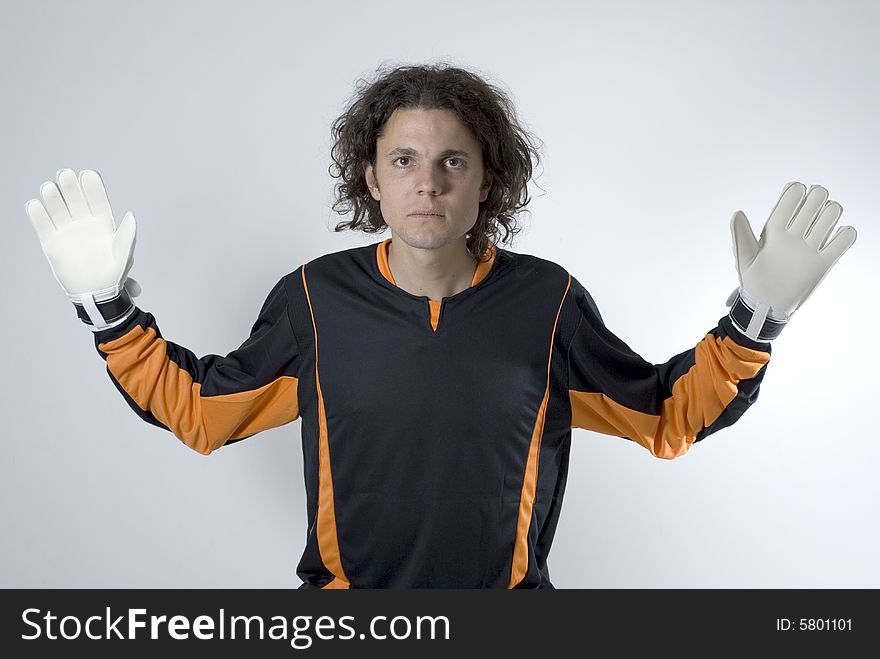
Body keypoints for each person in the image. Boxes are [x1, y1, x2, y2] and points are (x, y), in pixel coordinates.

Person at [25, 63, 857, 589]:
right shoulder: (314, 299)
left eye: (453, 160)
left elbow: (667, 413)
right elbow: (204, 412)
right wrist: (110, 311)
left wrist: (757, 318)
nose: (428, 183)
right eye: (404, 161)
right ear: (373, 180)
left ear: (487, 178)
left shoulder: (550, 303)